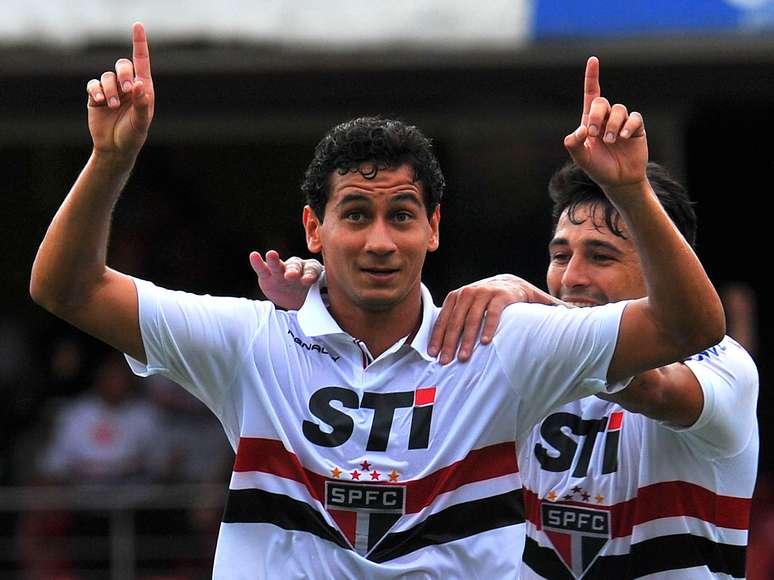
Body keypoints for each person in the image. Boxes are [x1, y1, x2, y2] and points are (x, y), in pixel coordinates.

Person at [30, 23, 725, 578]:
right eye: (355, 214)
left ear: (434, 229)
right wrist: (110, 160)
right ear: (314, 228)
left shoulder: (504, 344)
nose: (380, 242)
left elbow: (688, 325)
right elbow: (68, 287)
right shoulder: (251, 343)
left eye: (402, 215)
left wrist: (630, 190)